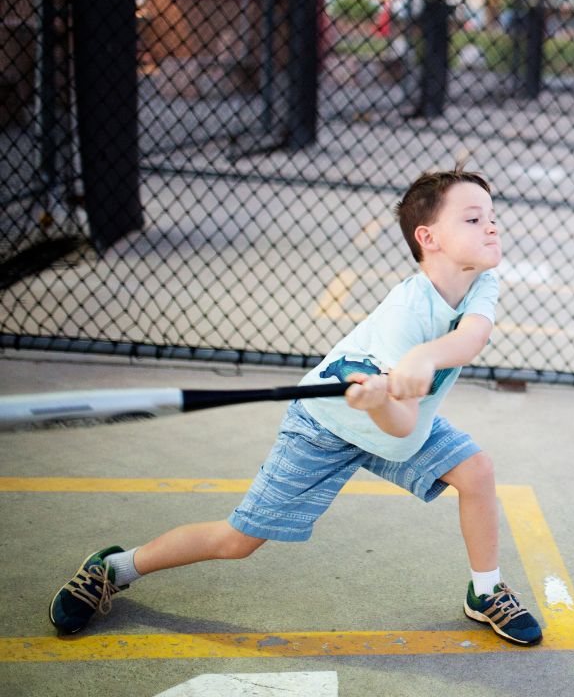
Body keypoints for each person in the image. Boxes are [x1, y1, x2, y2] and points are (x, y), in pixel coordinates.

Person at [47, 167, 543, 646]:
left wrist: (424, 357)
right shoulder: (404, 315)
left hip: (399, 424)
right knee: (237, 542)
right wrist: (377, 403)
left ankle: (485, 591)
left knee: (476, 471)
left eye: (491, 216)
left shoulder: (480, 279)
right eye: (473, 219)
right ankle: (114, 568)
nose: (491, 226)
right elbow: (398, 422)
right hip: (324, 428)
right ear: (428, 238)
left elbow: (472, 336)